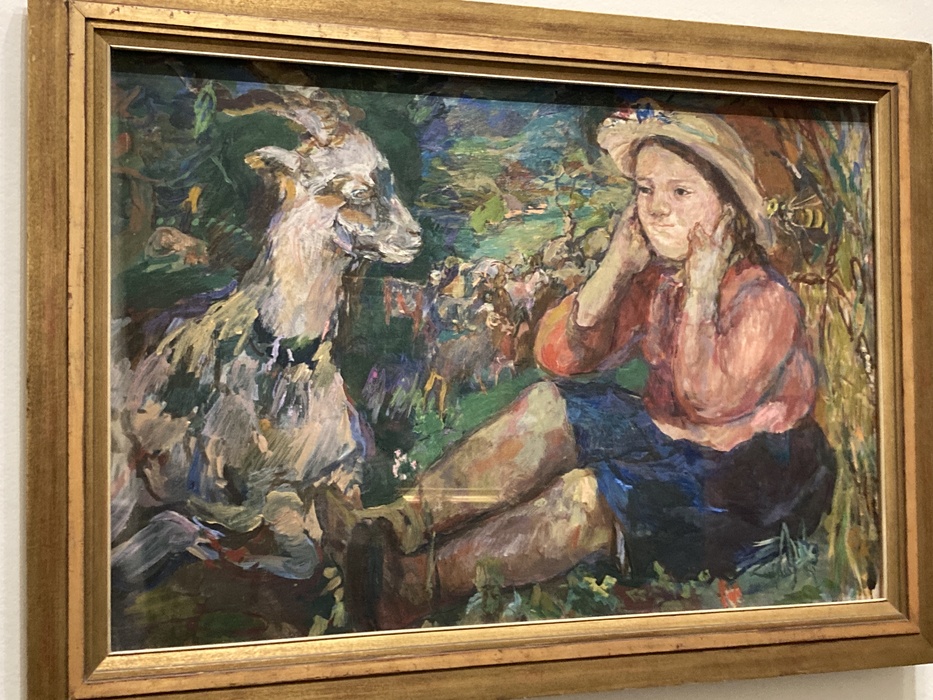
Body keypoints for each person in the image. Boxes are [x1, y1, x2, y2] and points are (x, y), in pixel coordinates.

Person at [317, 101, 836, 631]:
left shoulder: (764, 297)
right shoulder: (660, 282)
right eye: (645, 190)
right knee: (549, 403)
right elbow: (560, 359)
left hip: (748, 478)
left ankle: (414, 585)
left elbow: (710, 400)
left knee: (585, 496)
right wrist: (616, 266)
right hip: (670, 438)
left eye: (681, 192)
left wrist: (703, 289)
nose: (657, 209)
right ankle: (395, 525)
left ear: (728, 209)